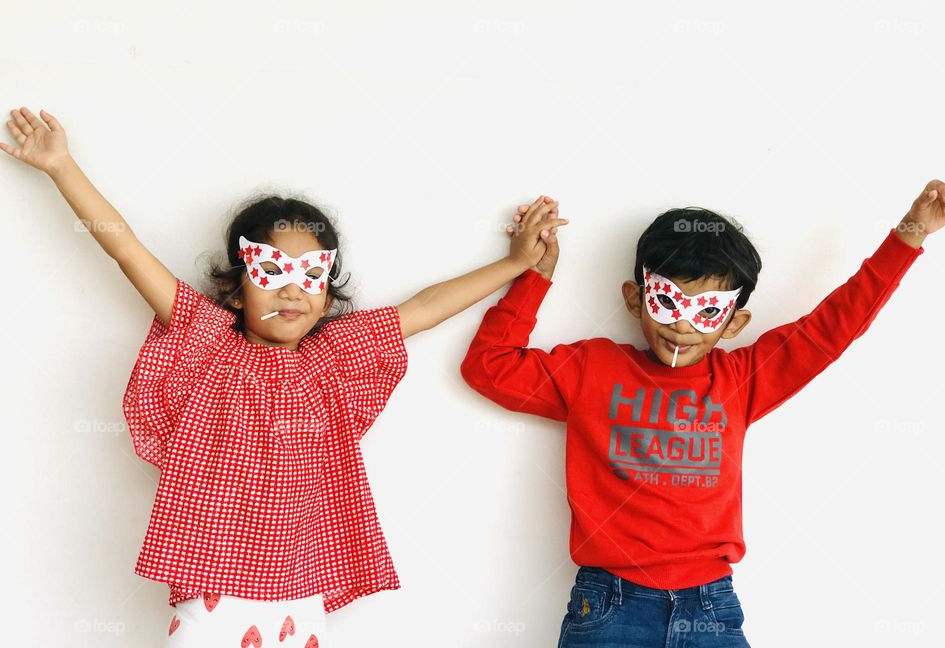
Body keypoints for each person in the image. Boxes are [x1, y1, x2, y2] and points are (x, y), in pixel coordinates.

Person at [1, 106, 568, 646]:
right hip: (214, 585)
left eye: (310, 276)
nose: (293, 289)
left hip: (301, 584)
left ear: (327, 294)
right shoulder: (207, 339)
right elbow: (126, 251)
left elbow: (426, 306)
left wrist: (517, 263)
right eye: (271, 272)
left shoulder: (335, 354)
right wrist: (61, 167)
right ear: (234, 286)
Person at [460, 187, 945, 647]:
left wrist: (910, 234)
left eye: (706, 310)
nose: (681, 324)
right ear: (635, 299)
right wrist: (531, 274)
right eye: (667, 301)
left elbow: (834, 327)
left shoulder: (743, 380)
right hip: (608, 605)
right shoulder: (592, 369)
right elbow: (488, 367)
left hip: (712, 605)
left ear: (735, 322)